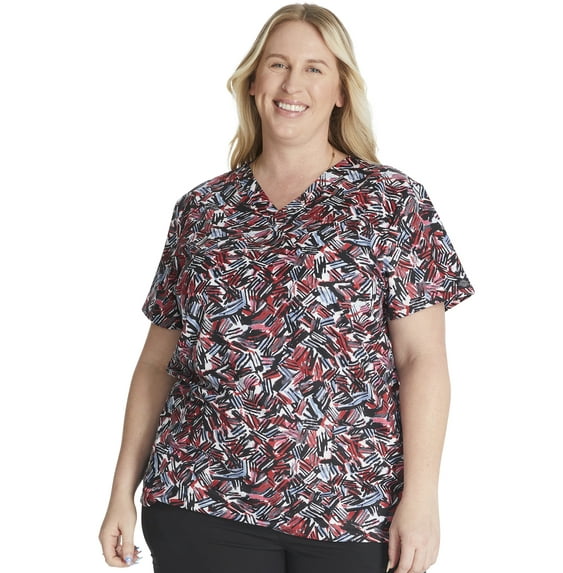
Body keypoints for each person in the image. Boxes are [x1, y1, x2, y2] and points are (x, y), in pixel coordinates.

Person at [99, 3, 474, 572]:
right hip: (201, 498)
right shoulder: (202, 210)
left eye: (314, 68)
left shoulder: (392, 203)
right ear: (253, 82)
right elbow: (157, 363)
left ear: (341, 91)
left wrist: (422, 499)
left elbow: (422, 359)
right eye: (277, 65)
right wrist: (119, 493)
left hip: (353, 508)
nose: (292, 84)